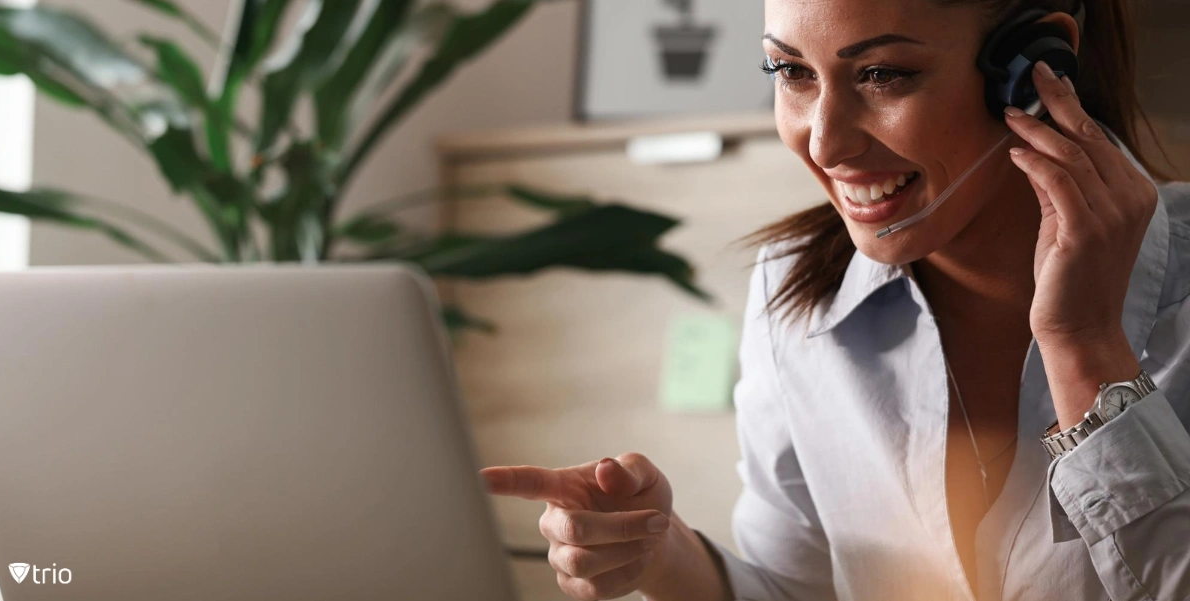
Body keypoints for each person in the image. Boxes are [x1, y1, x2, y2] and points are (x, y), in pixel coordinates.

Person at [479, 0, 1190, 599]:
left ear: (1036, 71)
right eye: (791, 72)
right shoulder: (794, 290)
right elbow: (796, 587)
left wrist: (1086, 346)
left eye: (882, 75)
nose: (822, 140)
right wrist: (659, 551)